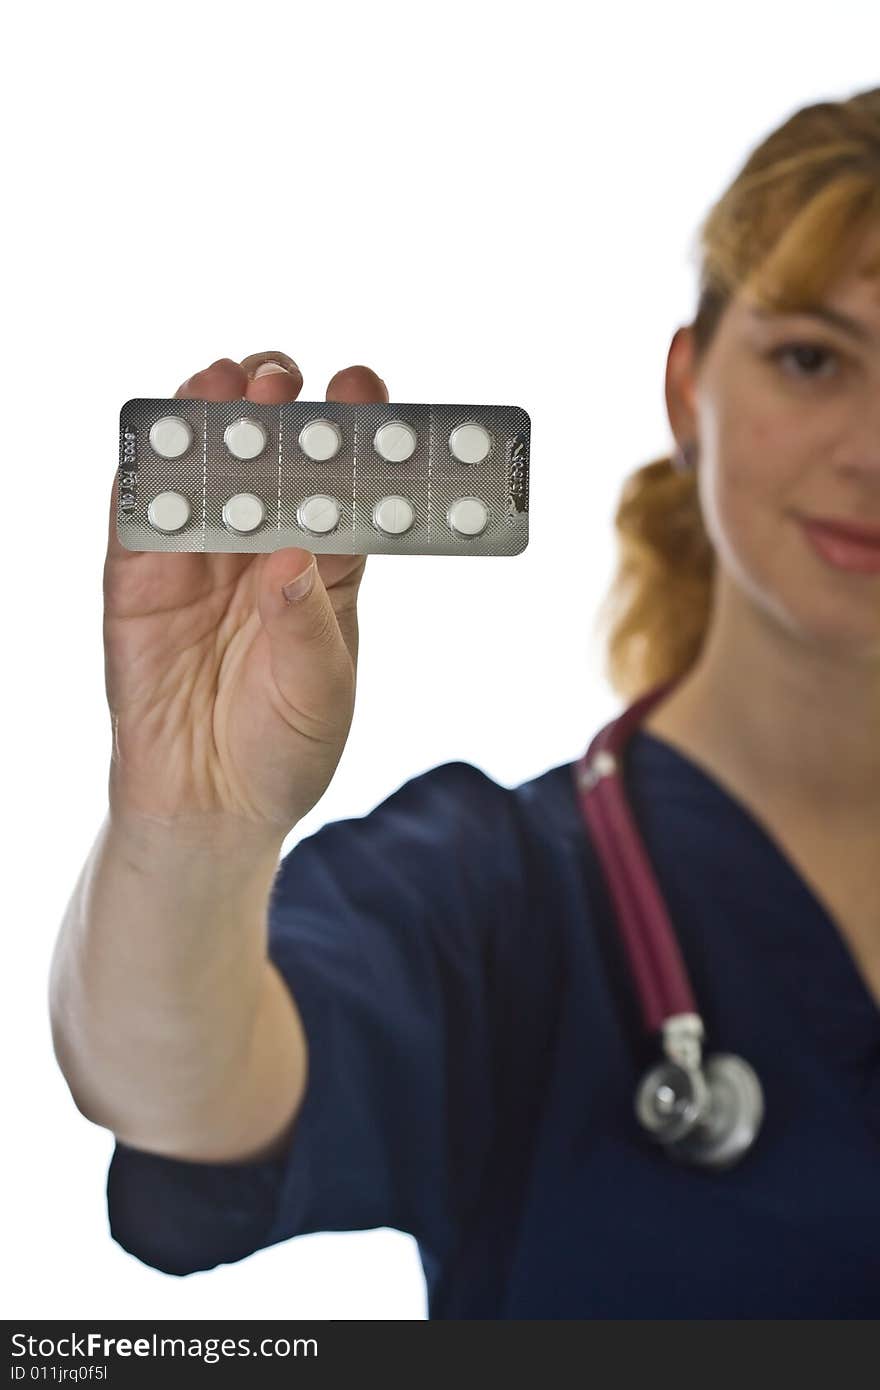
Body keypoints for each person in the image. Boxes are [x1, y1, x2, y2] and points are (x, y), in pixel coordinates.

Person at [49, 86, 880, 1318]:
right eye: (812, 359)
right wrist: (192, 831)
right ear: (688, 389)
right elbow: (179, 1086)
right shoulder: (502, 893)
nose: (873, 447)